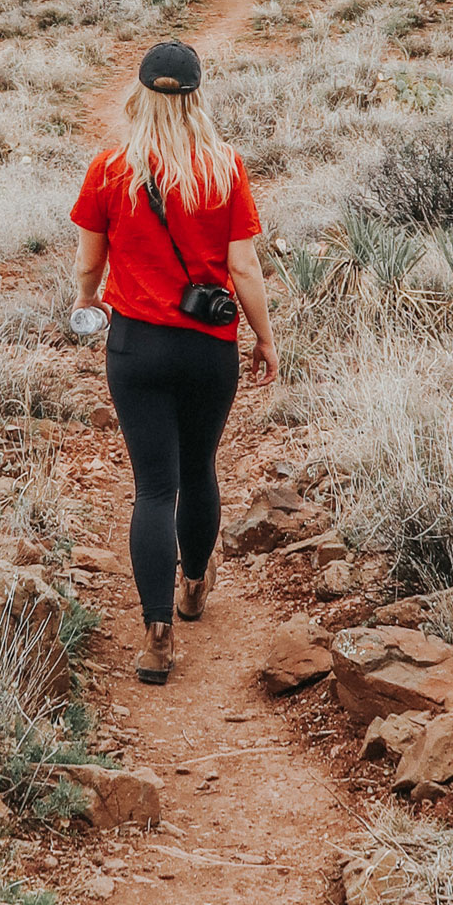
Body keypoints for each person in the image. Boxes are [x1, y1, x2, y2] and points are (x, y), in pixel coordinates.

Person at [69, 40, 277, 684]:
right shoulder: (224, 168)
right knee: (200, 469)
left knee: (154, 488)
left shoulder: (109, 170)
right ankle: (192, 588)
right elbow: (243, 265)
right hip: (206, 348)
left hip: (134, 346)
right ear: (195, 97)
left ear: (139, 96)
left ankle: (157, 638)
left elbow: (88, 262)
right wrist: (265, 337)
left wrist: (86, 302)